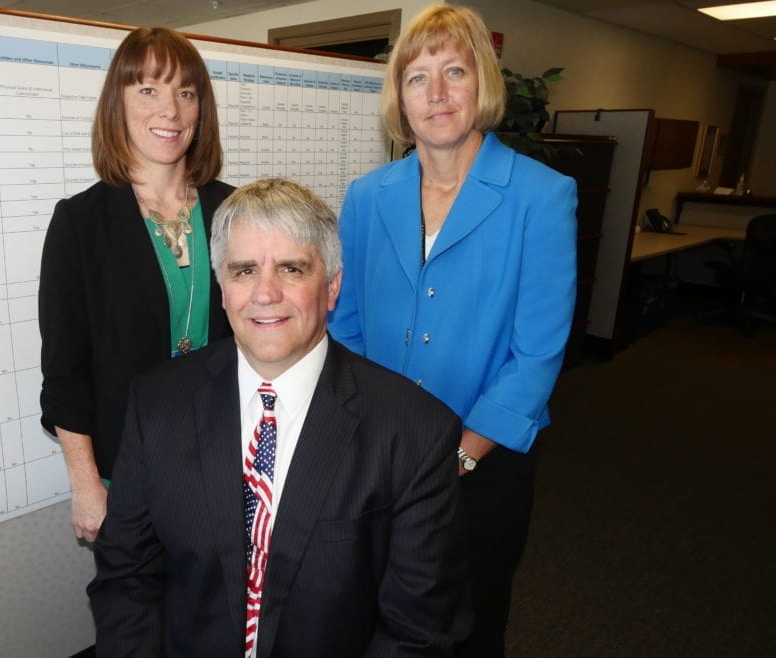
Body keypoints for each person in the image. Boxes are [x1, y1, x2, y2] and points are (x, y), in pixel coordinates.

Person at [88, 178, 471, 657]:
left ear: (331, 287)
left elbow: (419, 632)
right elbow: (127, 579)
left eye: (292, 268)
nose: (265, 293)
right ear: (223, 288)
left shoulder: (415, 431)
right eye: (244, 271)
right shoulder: (157, 404)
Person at [328, 4, 577, 657]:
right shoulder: (367, 195)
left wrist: (462, 453)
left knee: (469, 619)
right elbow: (345, 323)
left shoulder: (541, 197)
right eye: (417, 77)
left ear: (482, 84)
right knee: (378, 606)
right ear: (400, 98)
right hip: (382, 455)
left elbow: (538, 353)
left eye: (454, 71)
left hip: (482, 464)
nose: (436, 94)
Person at [38, 27, 233, 543]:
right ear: (117, 104)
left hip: (225, 468)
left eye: (185, 92)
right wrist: (85, 486)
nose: (170, 110)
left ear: (200, 110)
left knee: (224, 617)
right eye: (148, 89)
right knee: (136, 620)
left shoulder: (236, 212)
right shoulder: (80, 224)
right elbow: (65, 371)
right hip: (126, 476)